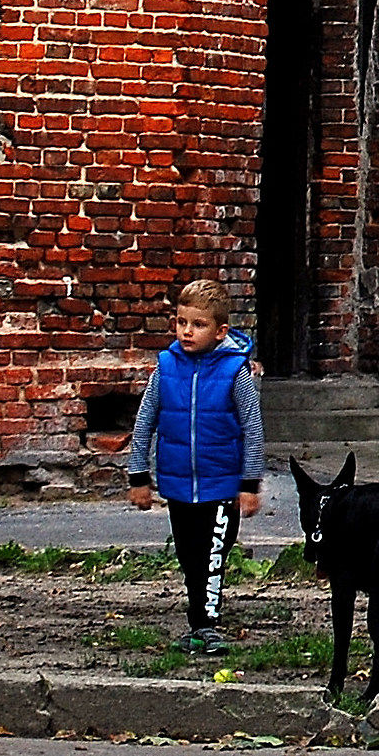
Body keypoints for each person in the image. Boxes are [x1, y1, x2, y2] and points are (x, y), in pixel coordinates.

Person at [127, 280, 263, 654]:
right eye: (181, 322)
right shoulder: (166, 367)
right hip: (178, 484)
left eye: (198, 324)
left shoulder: (236, 372)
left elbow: (252, 430)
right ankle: (199, 618)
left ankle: (207, 624)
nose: (187, 331)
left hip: (223, 486)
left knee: (213, 554)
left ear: (220, 331)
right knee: (189, 555)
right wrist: (139, 475)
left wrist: (249, 484)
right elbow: (145, 422)